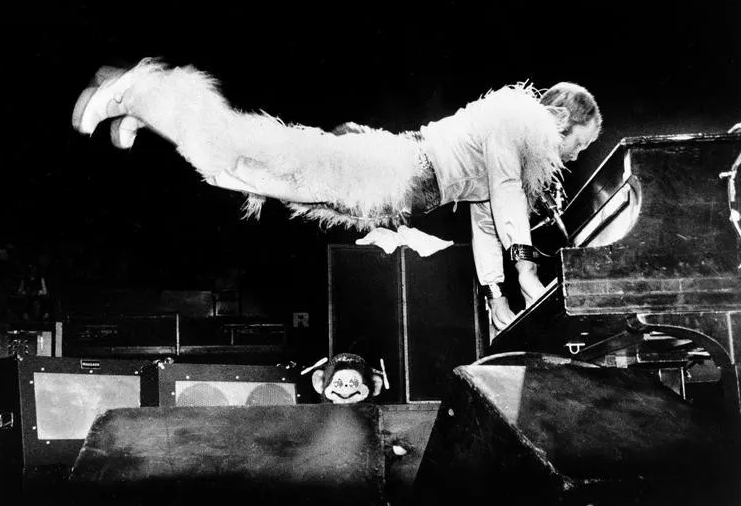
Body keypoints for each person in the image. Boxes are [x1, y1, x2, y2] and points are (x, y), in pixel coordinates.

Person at [72, 59, 601, 329]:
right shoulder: (517, 119)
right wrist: (525, 272)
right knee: (250, 158)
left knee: (245, 172)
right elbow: (507, 193)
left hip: (391, 186)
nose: (579, 155)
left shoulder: (516, 147)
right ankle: (138, 88)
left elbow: (488, 217)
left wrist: (496, 294)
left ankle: (144, 106)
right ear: (562, 119)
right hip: (389, 169)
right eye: (583, 142)